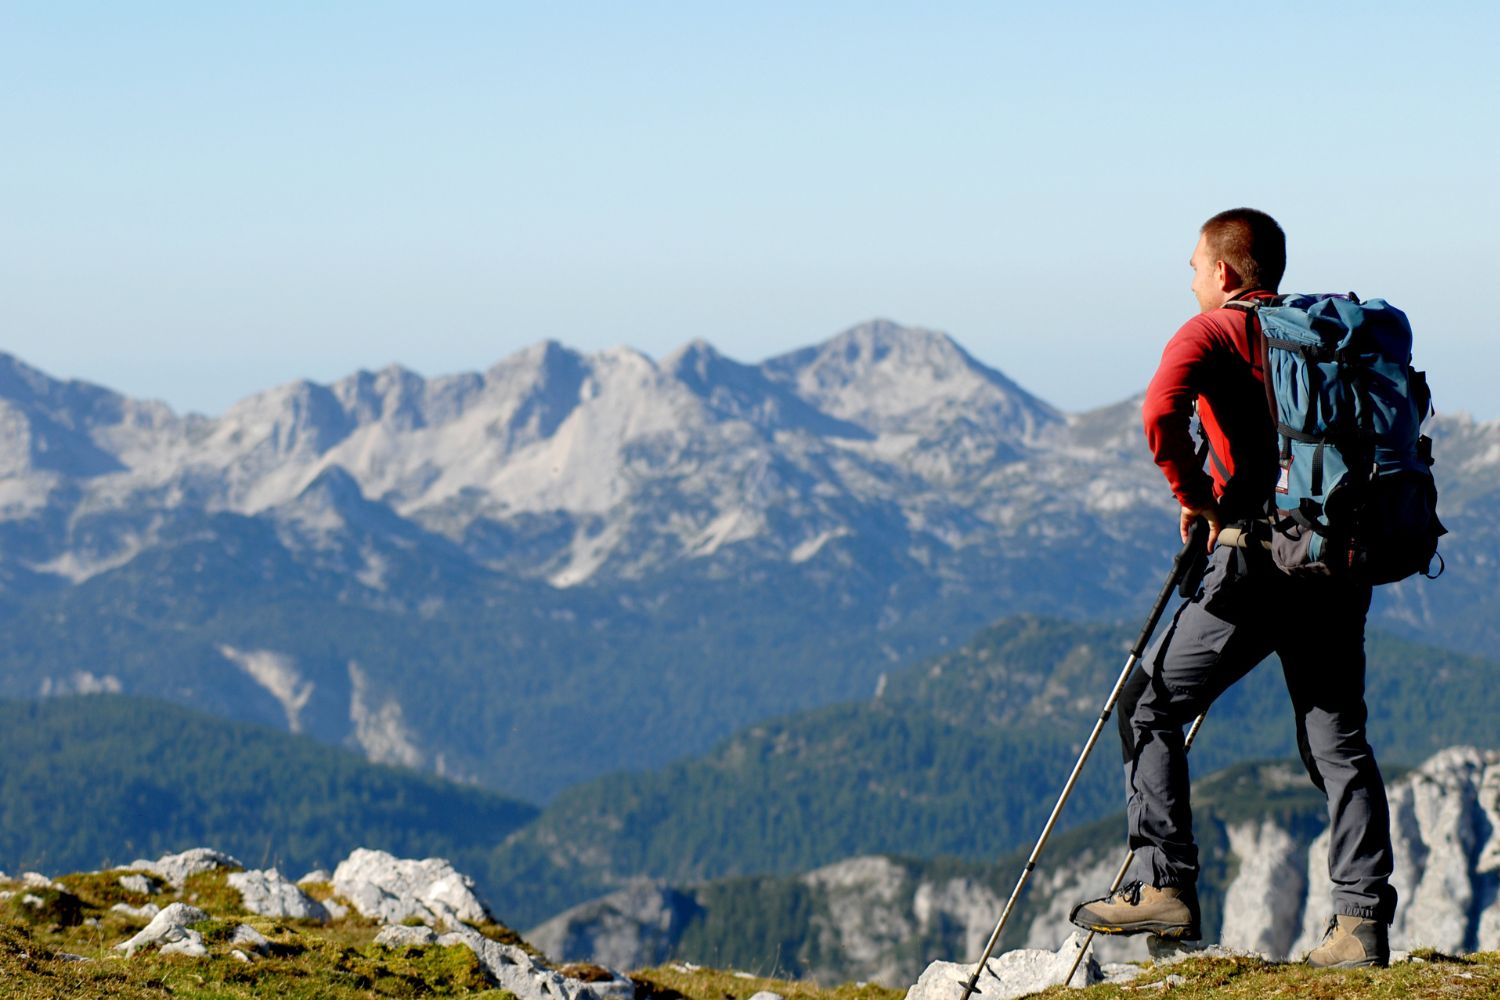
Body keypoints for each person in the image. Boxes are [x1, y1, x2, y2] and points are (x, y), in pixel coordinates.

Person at [1067, 208, 1396, 968]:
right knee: (1338, 741)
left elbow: (1159, 415)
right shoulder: (1317, 337)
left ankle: (1164, 883)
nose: (1189, 281)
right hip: (1334, 560)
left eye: (1192, 268)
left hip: (1251, 567)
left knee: (1148, 701)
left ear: (1223, 272)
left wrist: (1198, 495)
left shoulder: (1210, 332)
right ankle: (1360, 923)